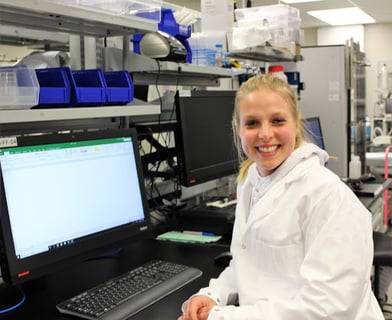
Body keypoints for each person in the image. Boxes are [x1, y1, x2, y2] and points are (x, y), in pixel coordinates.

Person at [178, 73, 384, 319]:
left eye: (277, 121)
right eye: (252, 123)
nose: (265, 134)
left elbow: (327, 309)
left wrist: (219, 316)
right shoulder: (251, 181)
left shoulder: (327, 195)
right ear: (238, 129)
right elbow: (246, 264)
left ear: (296, 123)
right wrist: (214, 294)